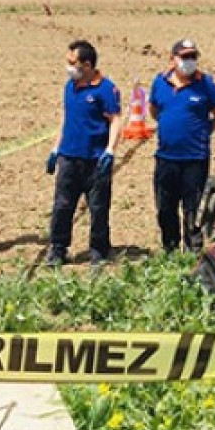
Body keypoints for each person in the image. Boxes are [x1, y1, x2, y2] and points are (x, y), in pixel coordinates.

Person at [45, 40, 123, 267]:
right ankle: (58, 249)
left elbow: (116, 120)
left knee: (98, 207)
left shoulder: (106, 89)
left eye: (72, 63)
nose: (68, 67)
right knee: (62, 206)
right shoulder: (70, 86)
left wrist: (110, 151)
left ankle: (99, 250)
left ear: (87, 65)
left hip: (95, 159)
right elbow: (65, 119)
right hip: (69, 157)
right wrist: (55, 148)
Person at [150, 38, 215, 252]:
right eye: (184, 57)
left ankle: (193, 253)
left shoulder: (206, 85)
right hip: (166, 157)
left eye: (193, 57)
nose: (189, 61)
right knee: (165, 208)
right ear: (173, 59)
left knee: (193, 209)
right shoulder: (160, 83)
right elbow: (155, 111)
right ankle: (170, 250)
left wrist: (204, 131)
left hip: (195, 158)